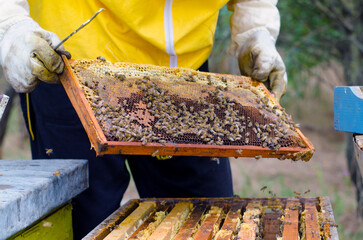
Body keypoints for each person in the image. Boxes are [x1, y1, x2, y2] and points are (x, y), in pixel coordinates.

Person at [0, 0, 287, 238]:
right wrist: (11, 26)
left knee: (208, 220)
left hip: (186, 82)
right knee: (83, 222)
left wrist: (255, 28)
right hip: (75, 68)